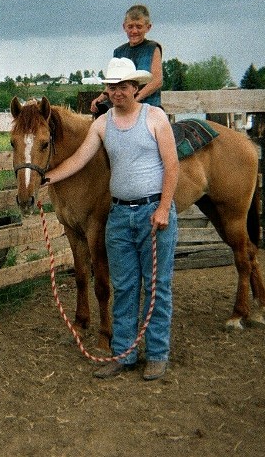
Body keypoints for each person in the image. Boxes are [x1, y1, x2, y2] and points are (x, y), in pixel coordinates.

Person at [45, 57, 179, 380]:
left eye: (123, 86)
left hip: (152, 214)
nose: (117, 92)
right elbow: (79, 159)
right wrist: (46, 178)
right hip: (119, 215)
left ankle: (157, 353)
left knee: (157, 287)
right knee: (124, 285)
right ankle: (125, 353)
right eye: (112, 87)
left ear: (135, 88)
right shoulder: (102, 125)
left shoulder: (155, 117)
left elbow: (172, 166)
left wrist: (163, 208)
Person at [91, 4, 164, 114]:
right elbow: (114, 81)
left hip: (149, 106)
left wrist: (134, 100)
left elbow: (157, 81)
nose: (134, 31)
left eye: (139, 27)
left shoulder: (152, 48)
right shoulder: (119, 51)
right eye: (130, 27)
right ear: (124, 27)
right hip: (123, 106)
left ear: (148, 27)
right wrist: (101, 97)